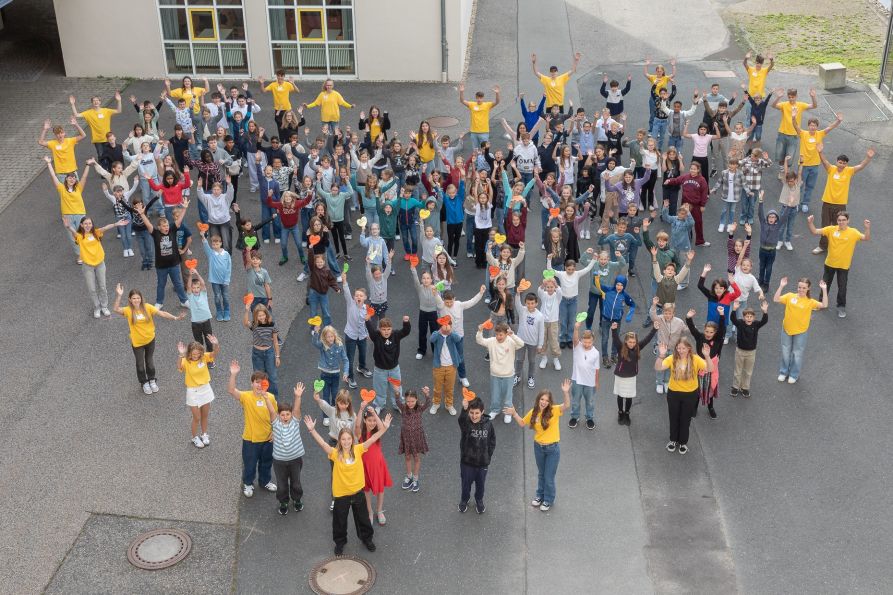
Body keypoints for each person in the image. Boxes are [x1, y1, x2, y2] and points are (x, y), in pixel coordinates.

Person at [305, 404, 390, 555]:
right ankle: (340, 543)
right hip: (341, 494)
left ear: (352, 440)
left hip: (358, 493)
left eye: (348, 439)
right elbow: (323, 443)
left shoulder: (359, 449)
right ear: (339, 440)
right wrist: (312, 430)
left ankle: (367, 539)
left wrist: (384, 428)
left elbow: (375, 437)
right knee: (340, 521)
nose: (346, 442)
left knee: (363, 519)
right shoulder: (335, 453)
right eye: (343, 439)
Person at [504, 379, 572, 512]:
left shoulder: (554, 410)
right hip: (539, 447)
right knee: (541, 474)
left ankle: (548, 499)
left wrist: (565, 392)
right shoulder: (534, 412)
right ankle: (540, 496)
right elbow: (523, 423)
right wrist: (514, 413)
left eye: (547, 400)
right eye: (542, 399)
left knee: (548, 476)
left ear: (549, 402)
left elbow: (567, 405)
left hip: (552, 449)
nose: (544, 402)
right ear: (538, 400)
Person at [113, 284, 185, 394]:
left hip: (150, 340)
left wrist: (175, 317)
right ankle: (144, 382)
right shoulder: (128, 310)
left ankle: (152, 380)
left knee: (150, 362)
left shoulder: (147, 307)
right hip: (137, 343)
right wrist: (119, 295)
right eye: (134, 298)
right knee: (140, 364)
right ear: (130, 300)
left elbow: (162, 313)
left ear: (141, 298)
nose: (136, 300)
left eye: (138, 298)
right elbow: (115, 309)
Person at [811, 145, 874, 255]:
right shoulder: (831, 169)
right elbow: (824, 161)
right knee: (826, 226)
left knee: (839, 226)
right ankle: (822, 246)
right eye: (840, 162)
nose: (842, 164)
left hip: (840, 205)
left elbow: (861, 166)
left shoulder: (849, 171)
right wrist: (820, 152)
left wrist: (868, 157)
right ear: (837, 162)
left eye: (844, 163)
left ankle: (835, 247)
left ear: (846, 164)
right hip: (827, 202)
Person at [227, 361, 277, 498]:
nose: (259, 385)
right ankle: (248, 484)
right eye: (256, 382)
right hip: (250, 439)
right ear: (252, 383)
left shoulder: (271, 398)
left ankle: (265, 481)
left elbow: (275, 417)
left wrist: (275, 431)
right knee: (250, 464)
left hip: (268, 438)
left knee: (266, 462)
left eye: (262, 382)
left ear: (267, 384)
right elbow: (231, 390)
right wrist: (233, 375)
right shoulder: (246, 397)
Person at [655, 339, 713, 455]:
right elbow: (658, 367)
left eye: (683, 348)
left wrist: (707, 356)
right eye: (679, 348)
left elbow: (710, 369)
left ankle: (682, 442)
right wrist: (661, 355)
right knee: (674, 417)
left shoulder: (695, 359)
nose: (680, 351)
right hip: (674, 393)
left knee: (685, 419)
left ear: (689, 349)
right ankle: (673, 440)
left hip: (690, 394)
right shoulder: (672, 358)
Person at [806, 212, 869, 318]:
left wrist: (867, 228)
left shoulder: (853, 232)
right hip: (829, 263)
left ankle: (841, 307)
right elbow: (815, 231)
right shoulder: (831, 229)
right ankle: (821, 303)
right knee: (825, 285)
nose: (841, 222)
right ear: (837, 221)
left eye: (844, 220)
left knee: (842, 287)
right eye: (839, 220)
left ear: (848, 221)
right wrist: (810, 223)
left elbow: (866, 238)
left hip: (843, 266)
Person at [63, 216, 127, 317]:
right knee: (92, 289)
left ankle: (104, 306)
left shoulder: (96, 233)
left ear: (92, 225)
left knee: (102, 287)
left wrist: (116, 224)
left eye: (89, 223)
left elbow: (105, 227)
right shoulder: (80, 236)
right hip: (87, 266)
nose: (88, 225)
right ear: (82, 225)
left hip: (100, 264)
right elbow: (74, 233)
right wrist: (68, 227)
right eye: (85, 224)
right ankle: (97, 307)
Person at [136, 200, 191, 309]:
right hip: (161, 266)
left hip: (174, 264)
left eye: (167, 225)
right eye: (164, 226)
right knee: (161, 285)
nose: (166, 227)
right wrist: (142, 214)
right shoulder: (155, 233)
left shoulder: (172, 230)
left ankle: (184, 301)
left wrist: (184, 208)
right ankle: (159, 302)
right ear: (159, 227)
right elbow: (148, 225)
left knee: (178, 284)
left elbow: (179, 220)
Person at [773, 277, 828, 384]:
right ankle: (783, 372)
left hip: (801, 332)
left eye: (804, 288)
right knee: (785, 352)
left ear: (808, 289)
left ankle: (794, 374)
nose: (801, 290)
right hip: (787, 329)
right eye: (799, 287)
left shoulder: (810, 302)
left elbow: (824, 305)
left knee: (797, 354)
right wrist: (781, 286)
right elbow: (776, 299)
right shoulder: (790, 296)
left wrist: (824, 289)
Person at [263, 383, 306, 515]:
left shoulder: (295, 422)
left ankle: (297, 499)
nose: (285, 417)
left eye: (288, 414)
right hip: (279, 461)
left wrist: (297, 396)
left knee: (296, 483)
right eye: (282, 415)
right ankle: (283, 502)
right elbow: (271, 411)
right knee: (281, 485)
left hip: (295, 460)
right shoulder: (276, 424)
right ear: (278, 415)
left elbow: (297, 409)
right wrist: (265, 397)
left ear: (291, 415)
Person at [790, 109, 842, 214]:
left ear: (817, 127)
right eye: (811, 125)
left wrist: (838, 121)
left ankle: (805, 203)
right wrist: (793, 117)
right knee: (799, 185)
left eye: (814, 125)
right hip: (803, 165)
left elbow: (830, 128)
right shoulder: (803, 134)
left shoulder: (820, 134)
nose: (812, 127)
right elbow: (795, 126)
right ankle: (796, 203)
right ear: (808, 126)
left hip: (815, 166)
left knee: (810, 186)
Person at [476, 321, 525, 423]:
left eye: (501, 334)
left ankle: (508, 413)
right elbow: (480, 341)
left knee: (508, 395)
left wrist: (513, 335)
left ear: (506, 334)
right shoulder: (491, 341)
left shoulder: (511, 342)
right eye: (497, 334)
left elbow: (521, 343)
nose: (498, 337)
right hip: (495, 374)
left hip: (509, 374)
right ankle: (495, 410)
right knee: (495, 394)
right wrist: (480, 331)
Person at [43, 157, 91, 262]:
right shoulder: (61, 188)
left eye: (73, 178)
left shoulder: (79, 188)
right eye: (69, 177)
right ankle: (79, 255)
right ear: (66, 179)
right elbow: (53, 176)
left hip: (80, 215)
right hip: (67, 216)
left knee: (83, 234)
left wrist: (88, 165)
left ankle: (86, 252)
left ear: (75, 180)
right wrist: (49, 163)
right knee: (72, 236)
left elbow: (84, 177)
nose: (71, 179)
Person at [177, 334, 220, 448]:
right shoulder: (186, 360)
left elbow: (215, 353)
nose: (196, 356)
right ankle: (194, 437)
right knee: (197, 417)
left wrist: (215, 344)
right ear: (189, 353)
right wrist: (181, 355)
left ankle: (204, 434)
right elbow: (180, 367)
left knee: (205, 415)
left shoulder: (204, 357)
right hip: (193, 391)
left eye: (198, 353)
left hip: (205, 388)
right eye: (193, 353)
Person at [612, 322, 656, 425]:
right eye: (630, 342)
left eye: (634, 342)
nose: (632, 344)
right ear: (626, 341)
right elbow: (615, 338)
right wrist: (614, 330)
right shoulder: (620, 347)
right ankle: (620, 412)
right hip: (620, 376)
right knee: (620, 396)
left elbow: (647, 339)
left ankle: (627, 413)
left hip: (631, 377)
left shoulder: (638, 347)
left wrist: (654, 329)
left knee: (629, 397)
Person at [367, 316, 412, 412]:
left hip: (394, 369)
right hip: (379, 370)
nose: (386, 332)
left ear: (392, 329)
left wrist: (406, 322)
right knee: (379, 389)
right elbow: (370, 330)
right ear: (379, 330)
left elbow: (406, 331)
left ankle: (398, 404)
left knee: (397, 389)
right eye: (383, 329)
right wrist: (367, 320)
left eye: (388, 329)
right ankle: (379, 405)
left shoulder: (396, 335)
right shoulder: (376, 336)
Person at [770, 87, 817, 175]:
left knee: (789, 157)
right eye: (789, 97)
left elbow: (814, 106)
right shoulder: (784, 104)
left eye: (793, 97)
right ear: (788, 97)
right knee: (780, 155)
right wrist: (778, 97)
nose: (791, 99)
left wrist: (813, 97)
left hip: (794, 135)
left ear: (796, 96)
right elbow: (773, 105)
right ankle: (782, 172)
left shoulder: (800, 105)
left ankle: (786, 172)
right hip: (782, 133)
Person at [730, 300, 769, 398]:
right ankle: (735, 387)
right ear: (743, 318)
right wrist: (734, 309)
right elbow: (733, 319)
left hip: (751, 352)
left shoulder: (756, 325)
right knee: (738, 370)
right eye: (747, 316)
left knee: (748, 371)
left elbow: (764, 321)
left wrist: (765, 312)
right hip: (740, 351)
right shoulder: (740, 323)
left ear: (754, 318)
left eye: (751, 316)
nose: (749, 318)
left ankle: (745, 388)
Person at [311, 324, 349, 425]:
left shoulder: (339, 345)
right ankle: (326, 416)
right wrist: (316, 332)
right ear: (324, 337)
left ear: (335, 336)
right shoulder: (322, 345)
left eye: (332, 336)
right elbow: (315, 343)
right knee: (326, 396)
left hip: (336, 374)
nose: (330, 338)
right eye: (328, 337)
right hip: (325, 374)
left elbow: (345, 360)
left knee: (336, 395)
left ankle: (335, 414)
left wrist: (346, 372)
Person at [397, 386, 431, 492]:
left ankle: (415, 479)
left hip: (417, 438)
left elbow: (428, 403)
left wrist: (426, 394)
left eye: (412, 401)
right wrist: (397, 394)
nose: (410, 403)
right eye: (408, 401)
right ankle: (409, 476)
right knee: (407, 457)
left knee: (416, 458)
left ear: (416, 400)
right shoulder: (403, 408)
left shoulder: (420, 408)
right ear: (405, 400)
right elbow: (397, 401)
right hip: (406, 437)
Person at [243, 303, 280, 397]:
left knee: (272, 377)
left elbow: (275, 342)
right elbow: (245, 322)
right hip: (257, 353)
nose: (262, 317)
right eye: (259, 315)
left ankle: (273, 398)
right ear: (256, 316)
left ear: (266, 314)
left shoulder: (272, 325)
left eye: (263, 315)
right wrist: (247, 310)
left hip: (269, 353)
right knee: (259, 378)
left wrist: (277, 356)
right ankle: (260, 396)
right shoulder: (255, 325)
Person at [569, 321, 600, 430]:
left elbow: (596, 369)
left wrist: (596, 382)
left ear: (593, 341)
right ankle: (574, 417)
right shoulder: (577, 347)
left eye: (589, 342)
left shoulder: (596, 353)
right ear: (582, 341)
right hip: (577, 380)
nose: (587, 344)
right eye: (585, 342)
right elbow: (575, 339)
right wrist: (576, 328)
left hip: (590, 382)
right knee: (576, 401)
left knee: (590, 402)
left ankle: (589, 418)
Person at [429, 316, 463, 415]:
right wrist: (440, 331)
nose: (447, 327)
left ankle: (449, 405)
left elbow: (458, 339)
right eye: (444, 325)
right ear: (440, 326)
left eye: (449, 325)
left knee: (450, 388)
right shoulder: (437, 334)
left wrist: (450, 332)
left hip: (451, 366)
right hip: (438, 366)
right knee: (437, 387)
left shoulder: (452, 335)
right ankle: (436, 403)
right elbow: (432, 339)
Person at [514, 291, 545, 389]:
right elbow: (517, 303)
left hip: (533, 343)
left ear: (536, 303)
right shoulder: (522, 310)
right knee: (519, 359)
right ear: (525, 303)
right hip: (521, 341)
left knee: (532, 361)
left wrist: (540, 345)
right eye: (528, 303)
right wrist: (518, 294)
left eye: (532, 303)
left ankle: (531, 377)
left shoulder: (540, 316)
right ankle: (517, 376)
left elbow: (541, 332)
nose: (530, 305)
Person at [458, 83, 500, 148]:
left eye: (480, 98)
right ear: (476, 98)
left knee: (485, 150)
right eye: (478, 98)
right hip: (474, 132)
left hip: (484, 132)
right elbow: (462, 101)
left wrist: (497, 93)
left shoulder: (487, 105)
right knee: (475, 150)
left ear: (483, 98)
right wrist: (461, 92)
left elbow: (497, 102)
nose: (479, 99)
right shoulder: (472, 104)